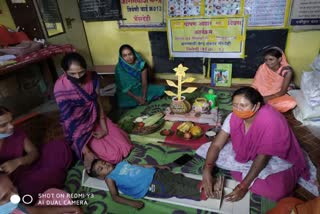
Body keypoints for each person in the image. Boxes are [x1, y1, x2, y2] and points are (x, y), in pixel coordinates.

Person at [202, 87, 309, 202]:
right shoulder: (233, 117)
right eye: (235, 105)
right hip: (250, 155)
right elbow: (216, 144)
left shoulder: (271, 121)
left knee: (277, 191)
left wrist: (243, 186)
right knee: (213, 156)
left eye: (243, 106)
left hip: (276, 156)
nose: (238, 109)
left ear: (256, 106)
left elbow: (263, 157)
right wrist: (207, 170)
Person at [54, 52, 133, 171]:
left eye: (81, 72)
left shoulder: (92, 77)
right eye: (72, 74)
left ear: (85, 69)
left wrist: (104, 127)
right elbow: (70, 122)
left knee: (125, 146)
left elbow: (97, 102)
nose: (77, 77)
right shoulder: (60, 89)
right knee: (114, 156)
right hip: (80, 129)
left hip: (95, 118)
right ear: (64, 71)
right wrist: (86, 151)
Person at [0, 106, 72, 203]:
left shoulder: (16, 132)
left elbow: (34, 153)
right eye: (3, 125)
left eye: (11, 121)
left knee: (58, 146)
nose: (11, 126)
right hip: (16, 184)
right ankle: (54, 177)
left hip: (28, 167)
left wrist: (18, 162)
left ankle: (51, 178)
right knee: (28, 190)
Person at [88, 159, 221, 209]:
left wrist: (158, 166)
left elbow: (141, 165)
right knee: (173, 188)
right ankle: (202, 193)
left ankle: (203, 184)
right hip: (149, 186)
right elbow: (115, 196)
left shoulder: (122, 163)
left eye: (103, 162)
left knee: (178, 177)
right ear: (101, 177)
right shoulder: (109, 178)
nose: (105, 165)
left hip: (155, 173)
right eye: (101, 168)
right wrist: (132, 203)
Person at [0, 173, 82, 214]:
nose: (14, 195)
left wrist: (73, 208)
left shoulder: (15, 208)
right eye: (5, 196)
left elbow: (38, 211)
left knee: (52, 194)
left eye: (12, 187)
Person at [251, 47, 296, 112]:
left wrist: (265, 99)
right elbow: (255, 84)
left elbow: (282, 92)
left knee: (291, 103)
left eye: (271, 59)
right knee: (249, 96)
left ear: (279, 59)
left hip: (277, 94)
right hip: (260, 93)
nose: (268, 62)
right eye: (266, 60)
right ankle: (261, 105)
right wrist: (253, 95)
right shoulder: (263, 67)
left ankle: (260, 105)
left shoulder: (287, 71)